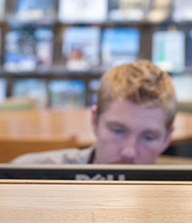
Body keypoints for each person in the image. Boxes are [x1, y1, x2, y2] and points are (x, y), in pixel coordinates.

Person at [11, 60, 176, 165]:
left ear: (167, 138)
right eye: (117, 130)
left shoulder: (189, 196)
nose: (129, 152)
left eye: (148, 137)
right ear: (95, 121)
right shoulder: (27, 176)